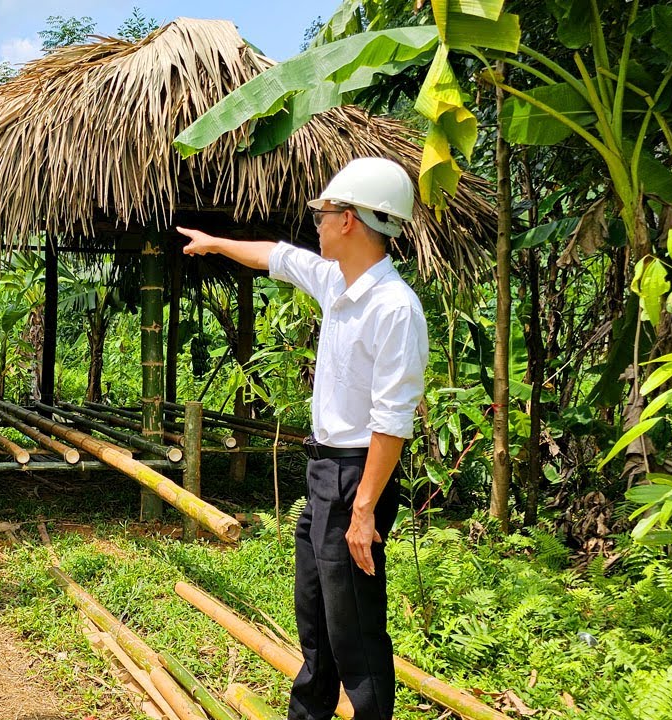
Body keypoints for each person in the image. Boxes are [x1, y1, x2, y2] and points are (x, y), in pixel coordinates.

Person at [177, 157, 427, 720]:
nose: (315, 220)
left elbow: (392, 421)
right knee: (315, 615)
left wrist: (363, 510)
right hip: (324, 474)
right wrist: (216, 242)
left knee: (356, 629)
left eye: (323, 211)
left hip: (358, 476)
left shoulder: (394, 308)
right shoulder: (338, 281)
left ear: (351, 221)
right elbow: (276, 255)